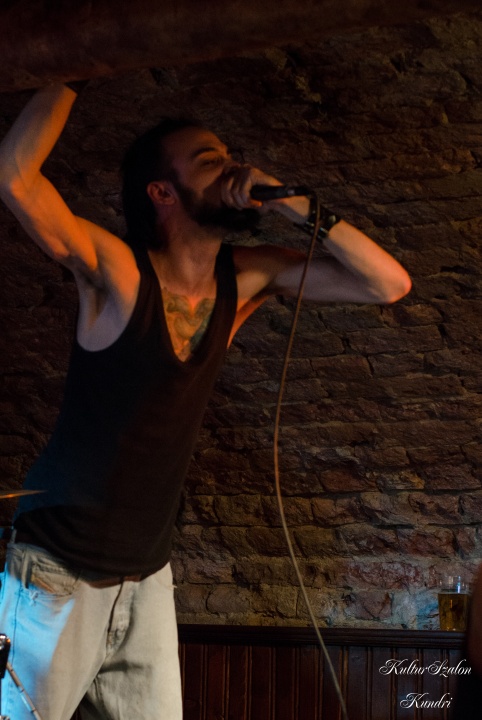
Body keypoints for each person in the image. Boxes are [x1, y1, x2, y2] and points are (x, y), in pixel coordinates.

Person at [0, 82, 411, 720]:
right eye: (208, 160)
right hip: (56, 569)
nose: (232, 167)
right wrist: (74, 68)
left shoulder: (245, 278)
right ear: (163, 193)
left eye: (228, 155)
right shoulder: (119, 271)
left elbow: (388, 284)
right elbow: (16, 179)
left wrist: (294, 202)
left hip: (148, 576)